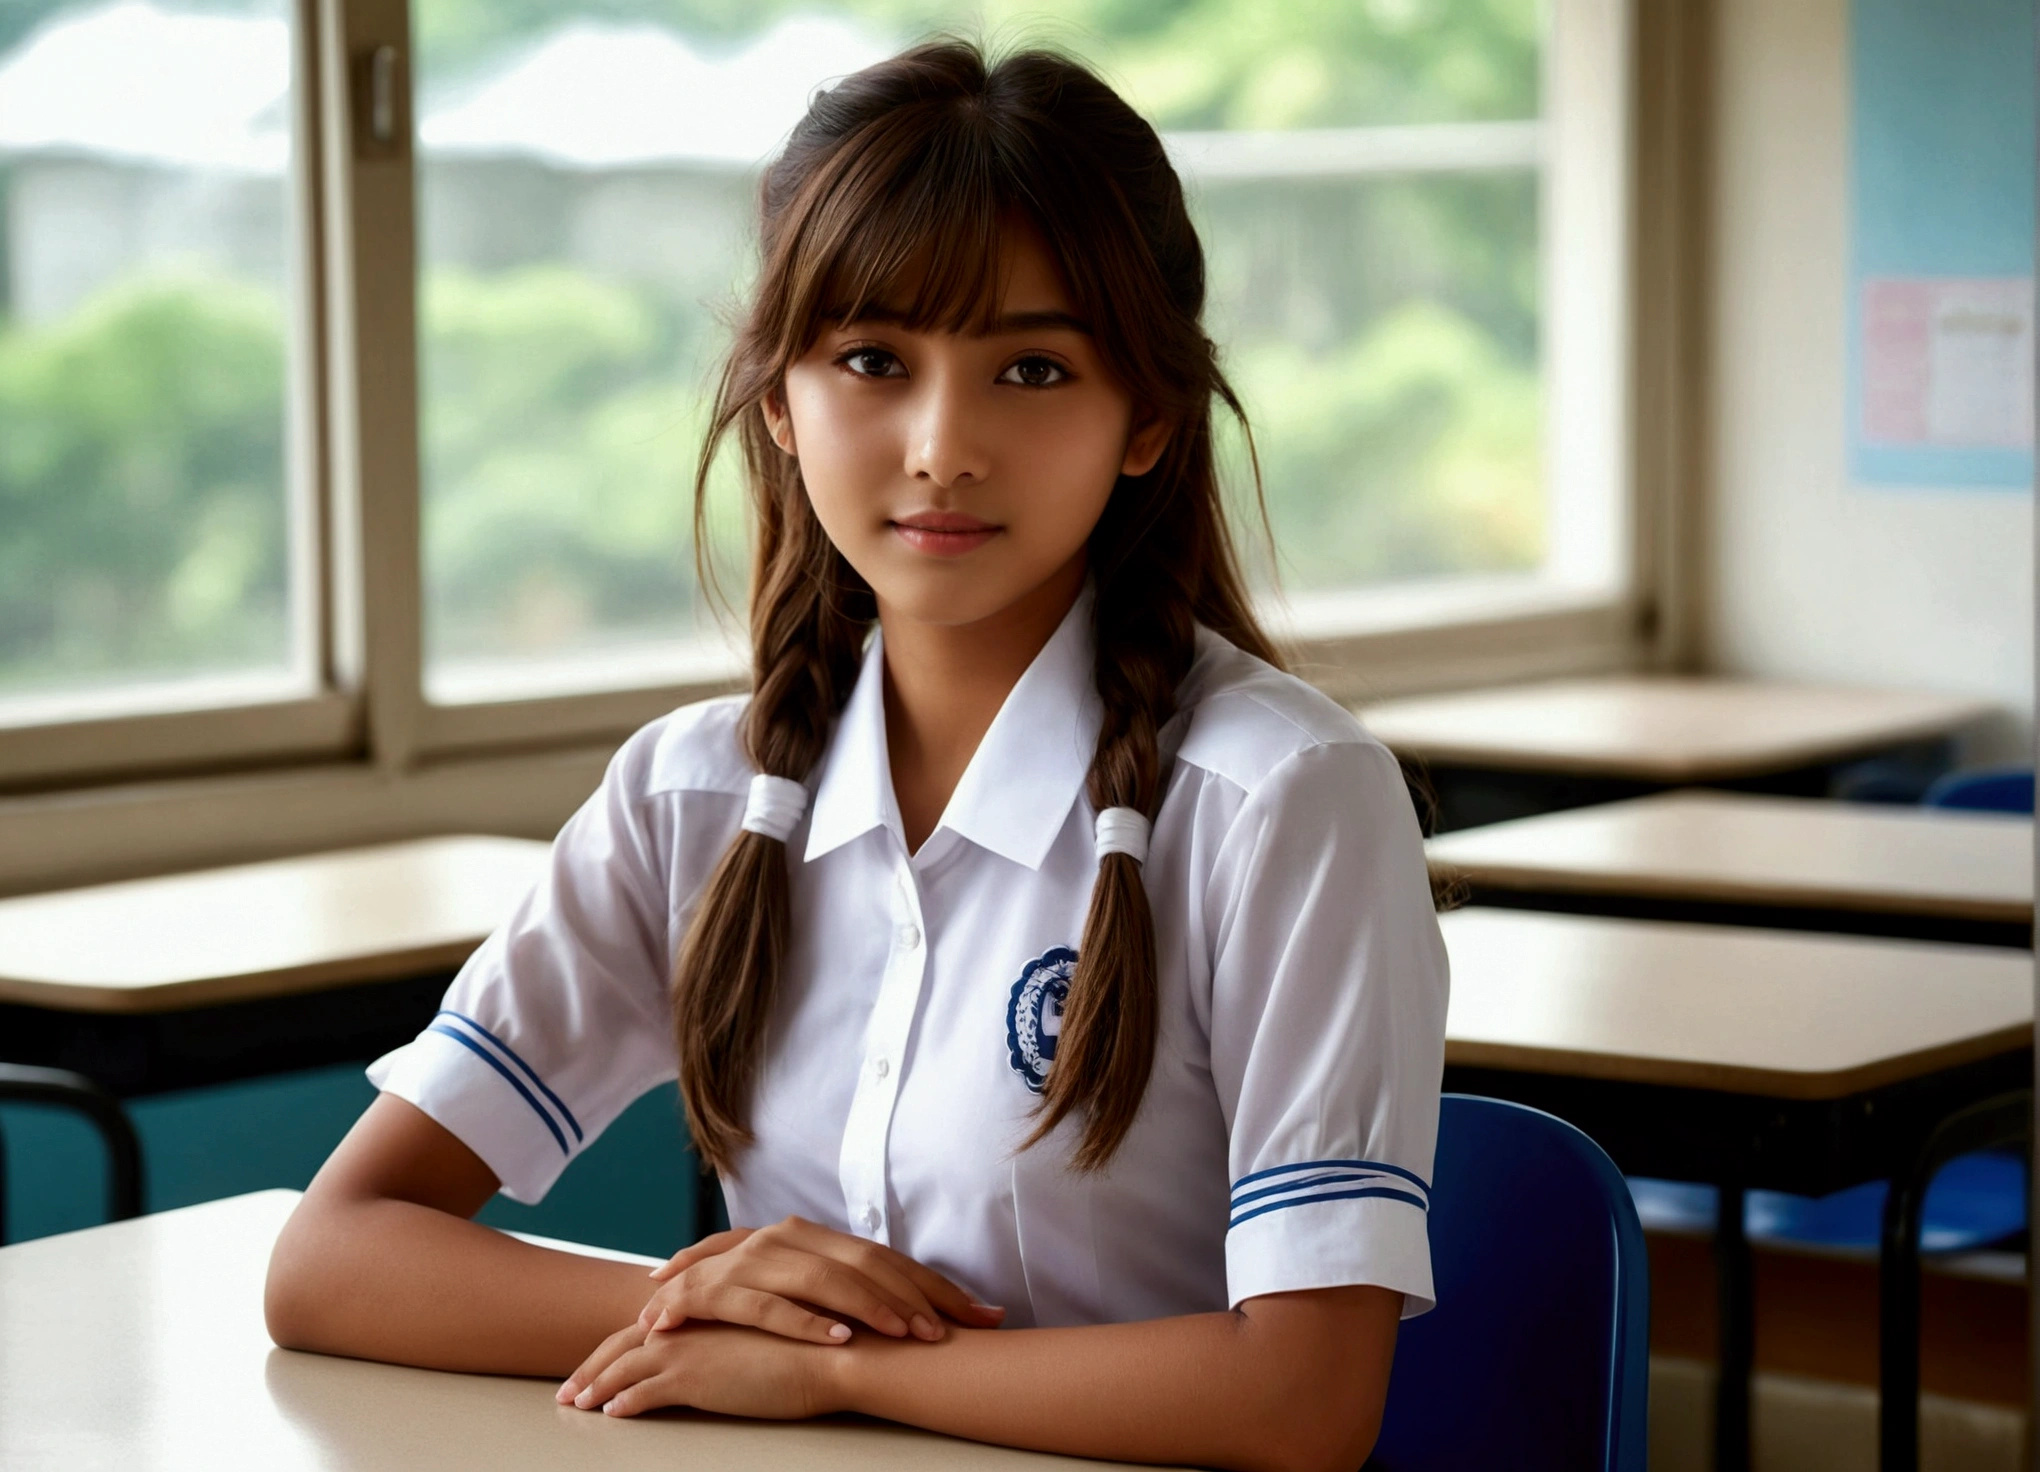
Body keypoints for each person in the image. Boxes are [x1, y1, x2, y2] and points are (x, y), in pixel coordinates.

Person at [265, 38, 1448, 1472]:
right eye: (873, 361)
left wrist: (840, 1380)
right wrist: (701, 1310)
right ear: (779, 400)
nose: (943, 446)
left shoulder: (1282, 801)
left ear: (1146, 416)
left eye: (1030, 367)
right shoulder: (686, 797)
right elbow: (329, 1259)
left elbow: (1304, 1403)